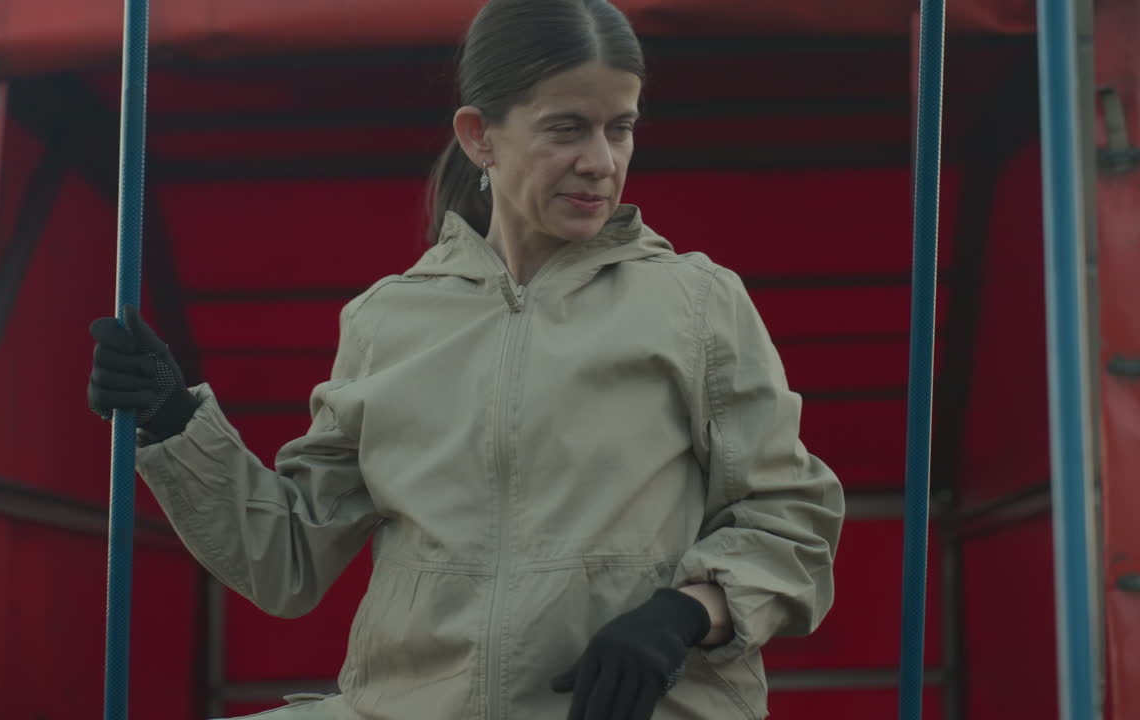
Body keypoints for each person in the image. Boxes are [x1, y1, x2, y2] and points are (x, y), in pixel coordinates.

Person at [87, 1, 845, 718]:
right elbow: (287, 561)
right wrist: (171, 417)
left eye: (621, 128)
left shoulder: (698, 303)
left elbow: (790, 517)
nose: (600, 161)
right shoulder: (387, 318)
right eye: (566, 129)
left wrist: (689, 613)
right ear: (481, 135)